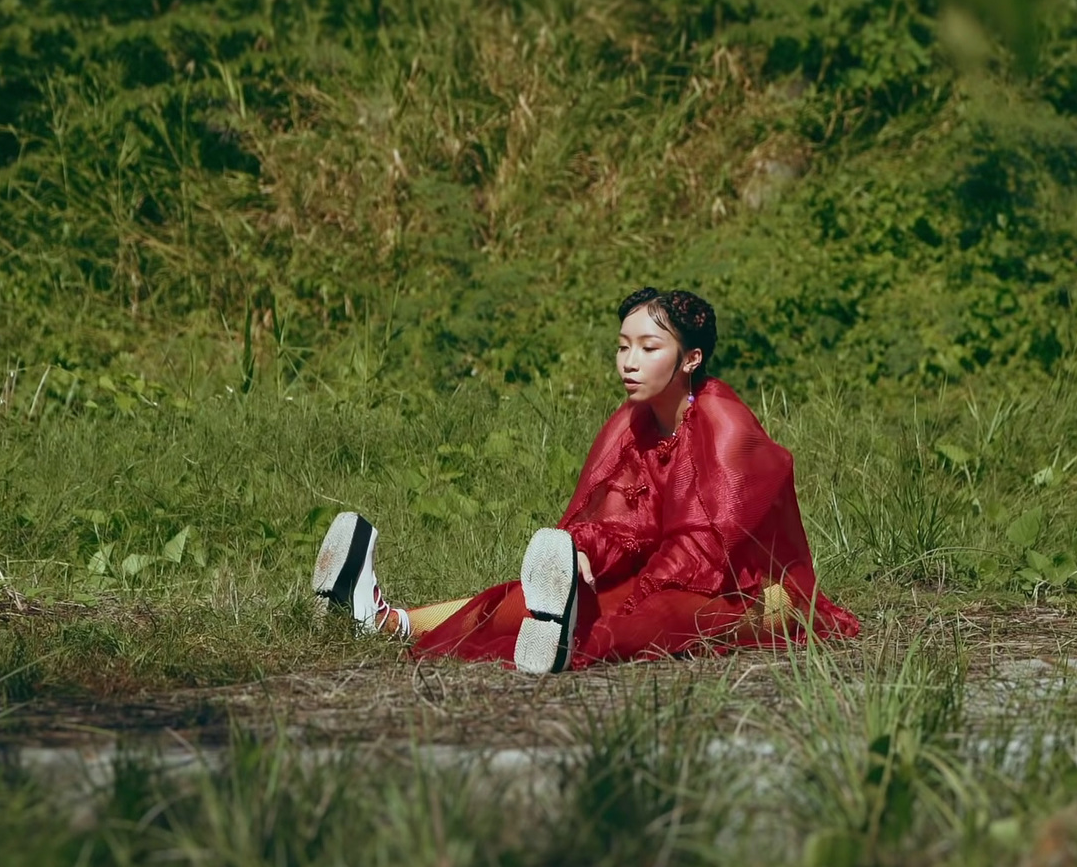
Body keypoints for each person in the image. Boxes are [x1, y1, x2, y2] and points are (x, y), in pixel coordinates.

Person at [311, 287, 859, 673]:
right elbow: (616, 523)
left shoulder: (726, 424)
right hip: (670, 572)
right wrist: (582, 554)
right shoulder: (631, 422)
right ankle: (385, 621)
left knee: (651, 612)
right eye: (623, 345)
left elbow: (707, 549)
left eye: (649, 348)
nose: (629, 361)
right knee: (531, 598)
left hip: (756, 593)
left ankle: (565, 645)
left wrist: (620, 591)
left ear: (691, 358)